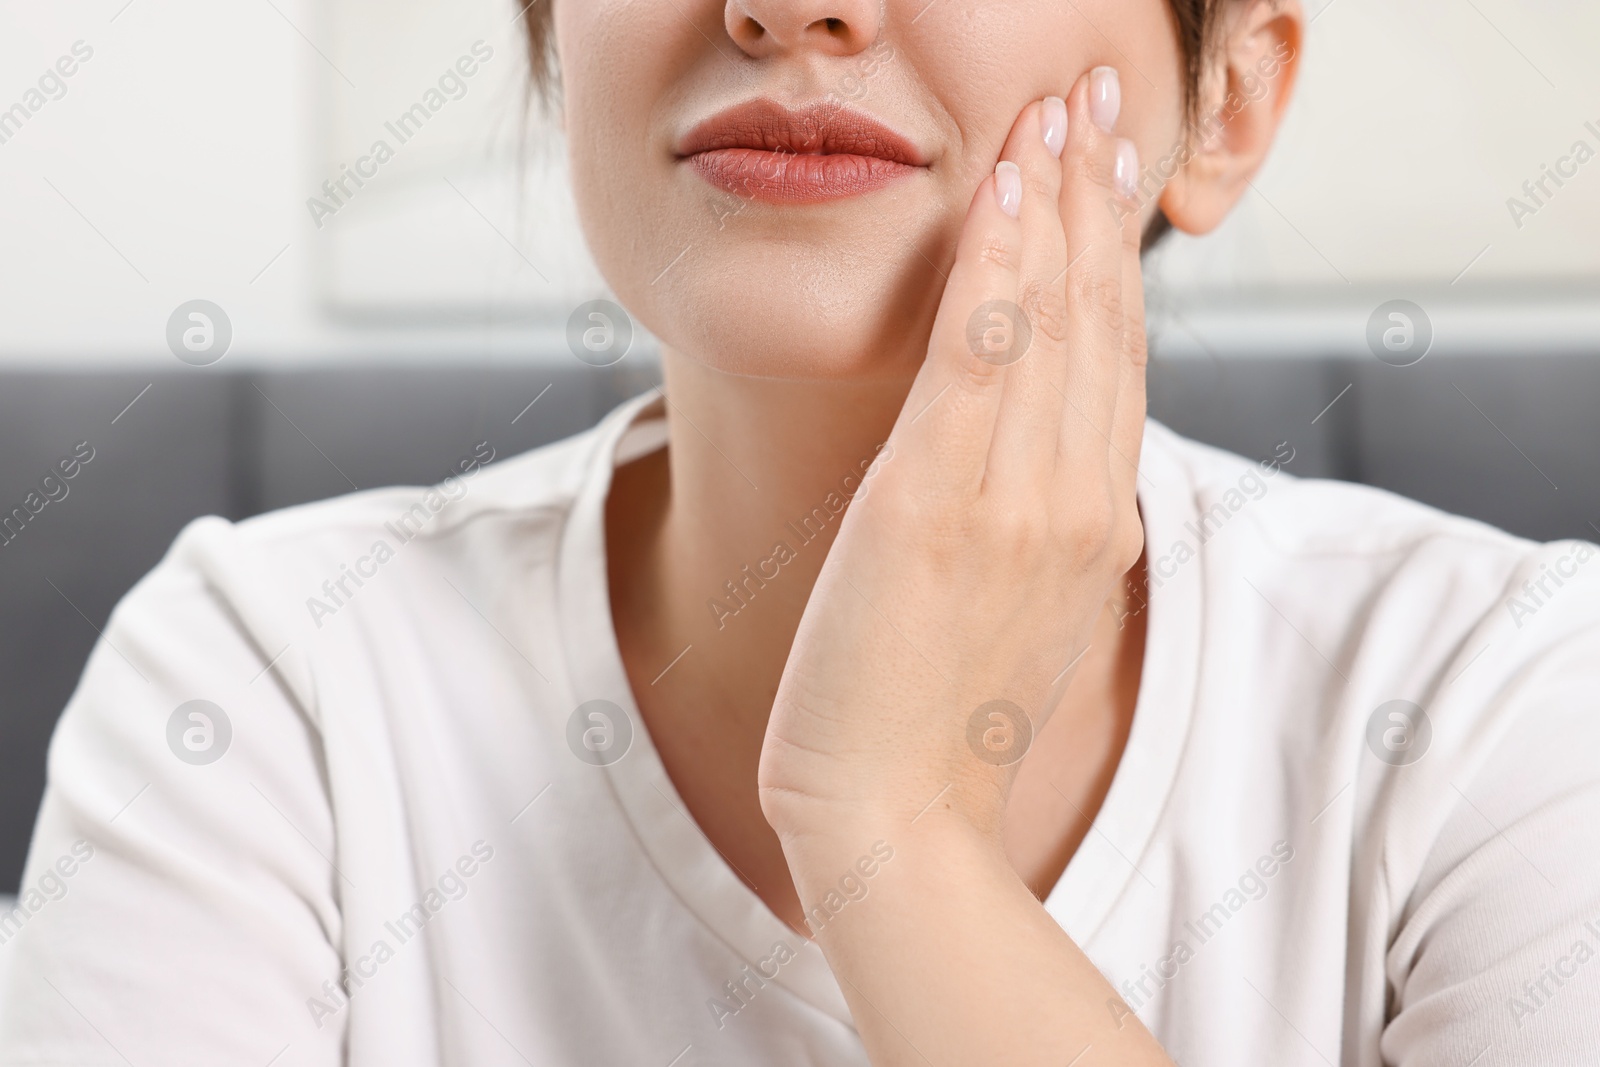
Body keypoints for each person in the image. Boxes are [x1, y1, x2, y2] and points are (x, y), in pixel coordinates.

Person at [3, 1, 1598, 1064]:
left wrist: (894, 835)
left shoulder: (1506, 703)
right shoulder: (260, 687)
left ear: (1227, 103)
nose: (789, 5)